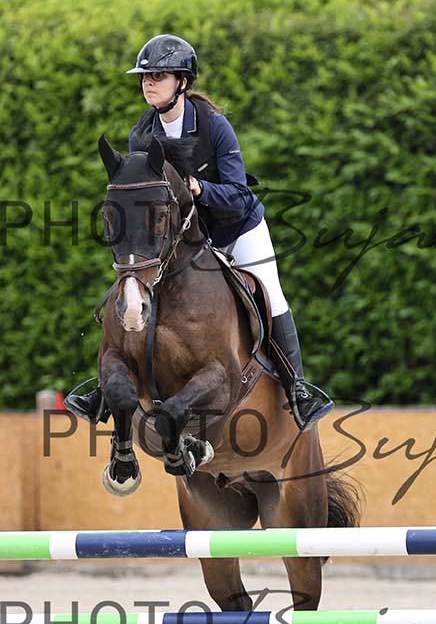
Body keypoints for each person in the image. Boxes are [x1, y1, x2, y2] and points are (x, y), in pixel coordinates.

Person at [70, 33, 332, 432]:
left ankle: (297, 388)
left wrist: (199, 189)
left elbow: (239, 195)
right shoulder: (141, 133)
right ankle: (107, 389)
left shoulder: (214, 126)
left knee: (271, 293)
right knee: (134, 287)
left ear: (183, 82)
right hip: (186, 239)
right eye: (145, 77)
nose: (148, 83)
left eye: (158, 76)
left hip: (236, 227)